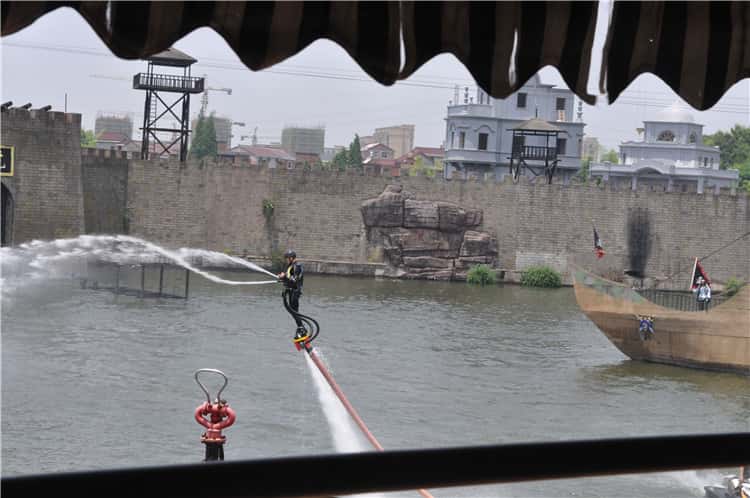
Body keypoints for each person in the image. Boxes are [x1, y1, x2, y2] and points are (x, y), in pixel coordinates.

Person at [277, 249, 305, 338]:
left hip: (295, 291)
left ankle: (302, 328)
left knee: (294, 311)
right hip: (290, 291)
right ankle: (300, 328)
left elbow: (294, 279)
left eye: (287, 258)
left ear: (291, 258)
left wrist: (284, 276)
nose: (286, 260)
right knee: (292, 311)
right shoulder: (290, 266)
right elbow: (288, 277)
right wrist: (282, 277)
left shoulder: (297, 266)